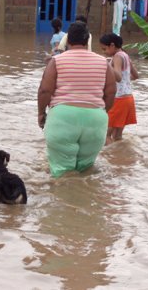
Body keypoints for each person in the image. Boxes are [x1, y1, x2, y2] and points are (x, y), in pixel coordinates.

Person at [37, 22, 117, 178]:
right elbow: (111, 92)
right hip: (95, 120)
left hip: (63, 118)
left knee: (62, 172)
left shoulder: (57, 61)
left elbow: (45, 90)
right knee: (86, 170)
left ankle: (65, 200)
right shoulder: (103, 62)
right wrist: (101, 112)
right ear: (87, 40)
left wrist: (41, 113)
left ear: (67, 41)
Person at [99, 33, 139, 145]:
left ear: (112, 45)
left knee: (105, 136)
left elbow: (118, 76)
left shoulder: (117, 57)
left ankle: (110, 159)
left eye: (104, 49)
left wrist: (106, 65)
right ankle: (119, 157)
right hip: (128, 99)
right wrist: (125, 81)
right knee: (117, 136)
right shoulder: (125, 55)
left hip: (118, 100)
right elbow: (135, 76)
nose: (104, 52)